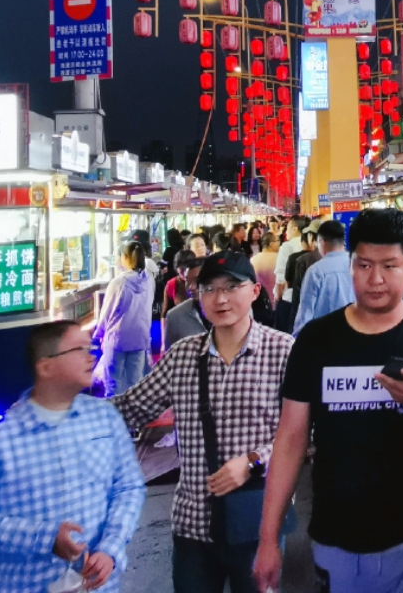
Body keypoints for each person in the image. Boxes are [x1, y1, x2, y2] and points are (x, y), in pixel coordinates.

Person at [253, 208, 403, 593]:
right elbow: (290, 440)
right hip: (338, 543)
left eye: (390, 265)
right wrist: (268, 539)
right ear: (350, 265)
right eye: (364, 265)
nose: (376, 279)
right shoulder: (317, 341)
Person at [114, 252, 293, 593]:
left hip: (258, 524)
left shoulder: (283, 352)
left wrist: (253, 461)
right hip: (193, 524)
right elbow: (131, 406)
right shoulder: (183, 355)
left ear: (255, 291)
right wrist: (65, 407)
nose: (220, 298)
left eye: (232, 287)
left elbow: (302, 433)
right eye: (209, 289)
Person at [0, 321, 146, 593]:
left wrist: (110, 549)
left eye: (90, 348)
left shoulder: (105, 420)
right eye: (78, 350)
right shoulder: (0, 443)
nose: (91, 356)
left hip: (96, 586)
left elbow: (128, 487)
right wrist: (44, 538)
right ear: (46, 366)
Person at [93, 242, 154, 396]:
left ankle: (116, 416)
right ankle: (134, 417)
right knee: (135, 383)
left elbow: (107, 311)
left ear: (125, 257)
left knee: (113, 383)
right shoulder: (149, 280)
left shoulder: (119, 282)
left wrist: (99, 334)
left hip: (117, 338)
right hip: (140, 337)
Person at [292, 220, 355, 335]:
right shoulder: (358, 266)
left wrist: (298, 339)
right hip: (356, 336)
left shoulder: (315, 271)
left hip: (324, 339)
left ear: (321, 242)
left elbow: (305, 313)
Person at [164, 251, 209, 349]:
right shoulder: (175, 316)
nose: (191, 287)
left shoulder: (232, 308)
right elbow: (170, 354)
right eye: (187, 282)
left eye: (197, 280)